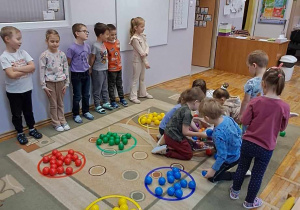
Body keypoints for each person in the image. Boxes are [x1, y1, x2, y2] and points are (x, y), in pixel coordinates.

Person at [230, 68, 290, 209]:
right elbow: (282, 128)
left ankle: (234, 192)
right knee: (257, 174)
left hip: (248, 142)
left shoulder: (255, 101)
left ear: (263, 84)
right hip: (266, 147)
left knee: (242, 167)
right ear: (281, 85)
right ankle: (249, 202)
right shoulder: (284, 107)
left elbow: (244, 121)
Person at [0, 26, 43, 144]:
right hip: (13, 92)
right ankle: (19, 132)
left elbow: (32, 67)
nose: (21, 41)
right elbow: (11, 75)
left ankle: (32, 128)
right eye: (18, 39)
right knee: (17, 114)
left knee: (29, 111)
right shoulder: (4, 57)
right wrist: (26, 69)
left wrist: (16, 68)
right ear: (7, 39)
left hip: (27, 88)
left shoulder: (23, 53)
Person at [151, 87, 206, 160]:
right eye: (200, 104)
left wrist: (191, 140)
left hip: (168, 133)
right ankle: (167, 151)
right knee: (188, 154)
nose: (200, 106)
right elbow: (185, 132)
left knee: (190, 144)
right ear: (195, 102)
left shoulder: (182, 107)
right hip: (173, 136)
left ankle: (166, 142)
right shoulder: (187, 113)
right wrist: (200, 134)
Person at [198, 98, 243, 183]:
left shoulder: (217, 135)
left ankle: (239, 175)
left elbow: (222, 156)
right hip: (239, 149)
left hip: (231, 158)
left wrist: (213, 169)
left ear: (207, 118)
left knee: (212, 178)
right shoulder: (227, 118)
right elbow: (239, 131)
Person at [39, 29, 70, 132]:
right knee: (53, 104)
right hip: (50, 83)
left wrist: (67, 83)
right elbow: (41, 70)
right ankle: (56, 123)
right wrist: (43, 85)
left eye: (57, 41)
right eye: (52, 41)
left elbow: (66, 68)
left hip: (61, 82)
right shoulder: (44, 55)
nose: (55, 43)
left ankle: (62, 120)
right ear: (46, 41)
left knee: (60, 103)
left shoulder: (62, 54)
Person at [67, 23, 94, 123]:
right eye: (84, 31)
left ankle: (86, 111)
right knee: (77, 95)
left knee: (86, 94)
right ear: (77, 33)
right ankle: (76, 114)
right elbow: (68, 62)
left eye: (87, 31)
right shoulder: (72, 48)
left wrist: (89, 69)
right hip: (76, 74)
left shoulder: (87, 46)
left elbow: (87, 58)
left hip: (86, 73)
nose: (87, 33)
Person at [89, 22, 113, 114]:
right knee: (97, 88)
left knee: (104, 86)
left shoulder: (103, 44)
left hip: (104, 69)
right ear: (100, 35)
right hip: (97, 70)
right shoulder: (95, 45)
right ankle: (97, 104)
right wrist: (90, 68)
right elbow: (92, 58)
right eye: (106, 34)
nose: (108, 36)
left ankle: (106, 102)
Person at [238, 50, 268, 123]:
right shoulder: (271, 79)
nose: (248, 70)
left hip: (252, 113)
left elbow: (246, 101)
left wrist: (241, 114)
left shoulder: (251, 83)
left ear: (254, 65)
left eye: (248, 67)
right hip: (266, 113)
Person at [129, 17, 153, 104]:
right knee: (135, 79)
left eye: (144, 26)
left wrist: (146, 53)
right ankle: (133, 96)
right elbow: (140, 52)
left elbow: (147, 47)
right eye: (142, 27)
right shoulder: (134, 38)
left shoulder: (142, 36)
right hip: (137, 61)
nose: (144, 28)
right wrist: (146, 62)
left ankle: (143, 93)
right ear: (136, 28)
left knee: (142, 78)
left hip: (143, 59)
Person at [104, 24, 128, 108]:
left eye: (115, 34)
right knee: (111, 85)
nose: (114, 36)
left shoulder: (117, 42)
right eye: (111, 35)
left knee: (119, 84)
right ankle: (113, 100)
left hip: (119, 67)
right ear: (107, 34)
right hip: (111, 69)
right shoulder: (105, 44)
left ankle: (121, 98)